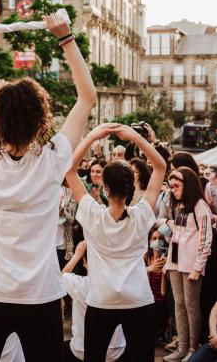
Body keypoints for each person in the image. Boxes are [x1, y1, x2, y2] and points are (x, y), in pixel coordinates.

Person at [0, 15, 97, 361]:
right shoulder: (53, 159)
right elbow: (87, 98)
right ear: (41, 120)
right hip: (40, 295)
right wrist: (66, 39)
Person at [65, 123, 166, 362]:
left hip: (102, 300)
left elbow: (69, 170)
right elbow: (160, 166)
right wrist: (136, 139)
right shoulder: (142, 215)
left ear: (105, 188)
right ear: (131, 187)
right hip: (139, 299)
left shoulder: (92, 214)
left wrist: (91, 136)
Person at [163, 167, 213, 362]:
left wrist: (198, 267)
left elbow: (205, 238)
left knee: (191, 307)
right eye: (171, 186)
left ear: (188, 184)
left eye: (176, 186)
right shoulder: (179, 206)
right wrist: (169, 262)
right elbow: (176, 236)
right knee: (179, 305)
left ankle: (193, 348)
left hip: (191, 265)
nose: (173, 190)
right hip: (176, 263)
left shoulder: (200, 206)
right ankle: (182, 347)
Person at [61, 240, 126, 362]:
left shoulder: (79, 284)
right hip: (115, 353)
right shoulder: (121, 285)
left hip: (81, 352)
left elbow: (62, 276)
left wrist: (76, 255)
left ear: (85, 262)